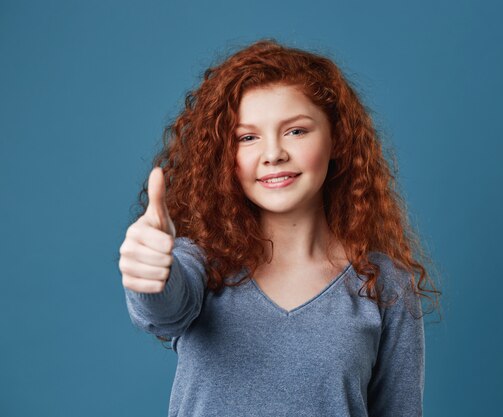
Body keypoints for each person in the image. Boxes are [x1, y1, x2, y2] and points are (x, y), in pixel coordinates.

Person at [118, 38, 441, 417]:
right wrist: (149, 277)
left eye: (296, 131)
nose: (273, 154)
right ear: (227, 155)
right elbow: (164, 310)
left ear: (337, 139)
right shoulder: (202, 265)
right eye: (248, 137)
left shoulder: (386, 286)